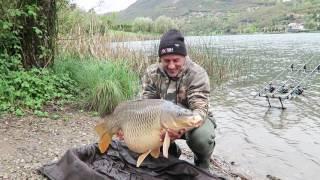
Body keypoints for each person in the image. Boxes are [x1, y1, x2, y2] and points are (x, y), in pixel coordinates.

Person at [141, 29, 216, 169]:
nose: (171, 65)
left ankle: (202, 162)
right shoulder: (151, 73)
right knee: (144, 134)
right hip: (162, 120)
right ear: (160, 59)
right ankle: (171, 152)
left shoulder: (197, 73)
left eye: (176, 60)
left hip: (192, 120)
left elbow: (199, 110)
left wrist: (180, 128)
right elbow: (147, 106)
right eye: (166, 60)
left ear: (184, 57)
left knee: (202, 138)